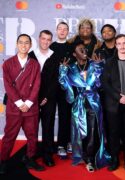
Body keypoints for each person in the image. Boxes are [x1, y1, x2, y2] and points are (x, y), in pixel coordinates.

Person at [59, 39, 110, 172]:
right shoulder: (71, 69)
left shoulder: (95, 64)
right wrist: (63, 71)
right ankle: (83, 155)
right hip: (79, 104)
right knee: (81, 133)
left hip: (93, 102)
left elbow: (100, 85)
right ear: (75, 54)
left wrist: (99, 68)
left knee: (93, 132)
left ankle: (90, 159)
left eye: (85, 49)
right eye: (81, 50)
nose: (84, 51)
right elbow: (65, 87)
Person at [0, 34, 44, 174]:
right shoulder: (7, 63)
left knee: (32, 135)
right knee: (9, 136)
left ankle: (30, 158)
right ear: (16, 44)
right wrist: (20, 103)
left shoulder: (35, 64)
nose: (24, 45)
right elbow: (8, 85)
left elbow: (37, 84)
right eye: (21, 42)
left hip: (31, 107)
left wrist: (29, 102)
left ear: (30, 45)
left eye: (26, 43)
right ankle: (3, 160)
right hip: (14, 107)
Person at [102, 34, 125, 171]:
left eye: (124, 43)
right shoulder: (109, 62)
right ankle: (114, 159)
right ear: (115, 46)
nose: (122, 46)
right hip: (113, 104)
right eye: (119, 43)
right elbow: (105, 83)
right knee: (113, 133)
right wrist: (118, 96)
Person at [29, 30, 59, 167]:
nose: (45, 42)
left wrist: (46, 96)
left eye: (48, 39)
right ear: (39, 39)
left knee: (48, 126)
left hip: (49, 98)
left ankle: (47, 154)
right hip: (32, 98)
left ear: (50, 41)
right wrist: (34, 97)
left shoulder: (55, 56)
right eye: (43, 39)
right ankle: (32, 154)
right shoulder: (30, 55)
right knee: (32, 127)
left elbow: (56, 79)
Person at [50, 22, 72, 158]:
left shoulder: (71, 47)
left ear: (68, 31)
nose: (62, 31)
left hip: (67, 88)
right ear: (56, 30)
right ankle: (55, 145)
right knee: (50, 117)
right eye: (60, 29)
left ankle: (65, 143)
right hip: (52, 88)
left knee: (66, 116)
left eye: (65, 29)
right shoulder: (51, 47)